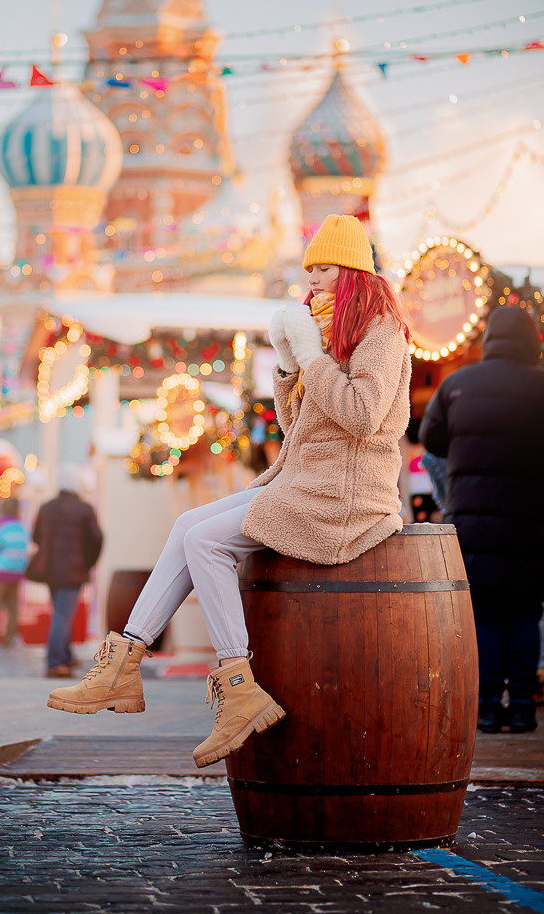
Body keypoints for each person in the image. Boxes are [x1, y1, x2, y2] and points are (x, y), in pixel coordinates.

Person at [48, 214, 412, 769]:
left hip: (346, 496)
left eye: (325, 268)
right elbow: (298, 429)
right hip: (306, 481)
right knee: (186, 525)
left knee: (207, 542)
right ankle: (124, 662)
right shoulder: (327, 329)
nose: (312, 277)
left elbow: (362, 416)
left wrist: (312, 360)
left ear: (353, 271)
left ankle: (238, 686)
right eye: (309, 267)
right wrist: (289, 368)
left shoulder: (380, 330)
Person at [420, 304, 544, 735]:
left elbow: (430, 438)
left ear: (489, 338)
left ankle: (489, 707)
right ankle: (524, 708)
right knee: (525, 613)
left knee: (484, 615)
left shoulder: (457, 384)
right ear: (531, 341)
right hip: (529, 522)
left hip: (471, 525)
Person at [32, 464, 103, 679]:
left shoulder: (46, 507)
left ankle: (66, 655)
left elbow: (35, 537)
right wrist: (87, 563)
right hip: (73, 572)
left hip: (50, 571)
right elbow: (96, 540)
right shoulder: (84, 508)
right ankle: (56, 661)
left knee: (60, 613)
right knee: (63, 616)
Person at [0, 496, 29, 647]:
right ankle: (10, 637)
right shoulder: (22, 528)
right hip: (16, 574)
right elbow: (27, 549)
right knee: (13, 608)